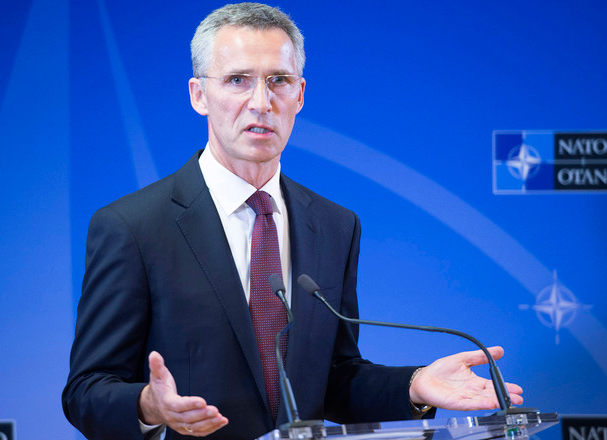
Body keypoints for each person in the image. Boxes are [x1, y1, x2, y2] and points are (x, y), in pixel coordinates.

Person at [62, 3, 523, 439]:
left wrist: (415, 385)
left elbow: (334, 379)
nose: (261, 102)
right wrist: (148, 405)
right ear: (199, 95)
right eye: (238, 80)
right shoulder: (134, 226)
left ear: (299, 95)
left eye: (278, 80)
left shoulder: (335, 226)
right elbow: (86, 391)